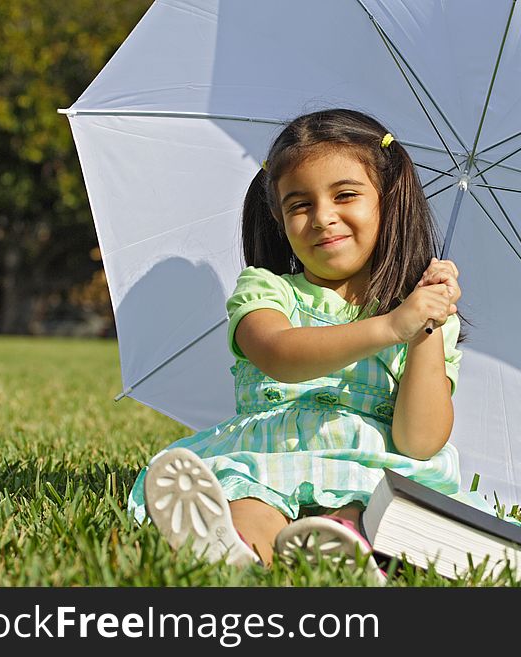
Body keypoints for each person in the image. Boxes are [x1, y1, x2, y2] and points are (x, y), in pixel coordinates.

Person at [127, 108, 482, 583]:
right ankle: (237, 551)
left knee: (368, 511)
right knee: (248, 503)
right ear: (278, 216)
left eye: (346, 195)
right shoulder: (267, 290)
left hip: (369, 471)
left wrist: (424, 330)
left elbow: (420, 442)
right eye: (299, 204)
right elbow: (280, 355)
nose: (323, 218)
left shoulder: (424, 316)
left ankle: (340, 553)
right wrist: (392, 327)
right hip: (270, 458)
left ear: (389, 201)